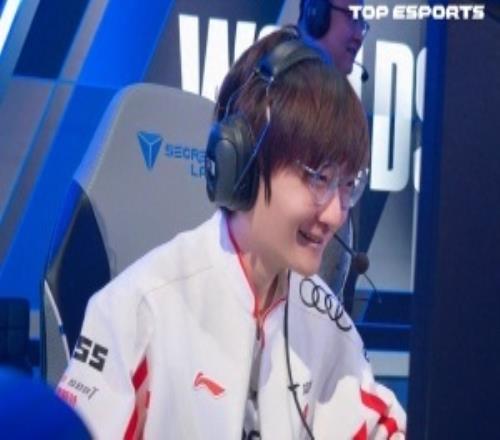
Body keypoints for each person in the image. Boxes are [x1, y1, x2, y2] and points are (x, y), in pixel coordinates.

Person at [56, 27, 405, 439]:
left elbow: (383, 426)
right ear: (243, 165)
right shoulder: (139, 307)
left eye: (347, 185)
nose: (334, 214)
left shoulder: (323, 317)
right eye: (318, 178)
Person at [299, 0, 371, 302]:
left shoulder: (346, 108)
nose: (359, 34)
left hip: (322, 307)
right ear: (316, 11)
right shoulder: (275, 93)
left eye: (363, 22)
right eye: (352, 17)